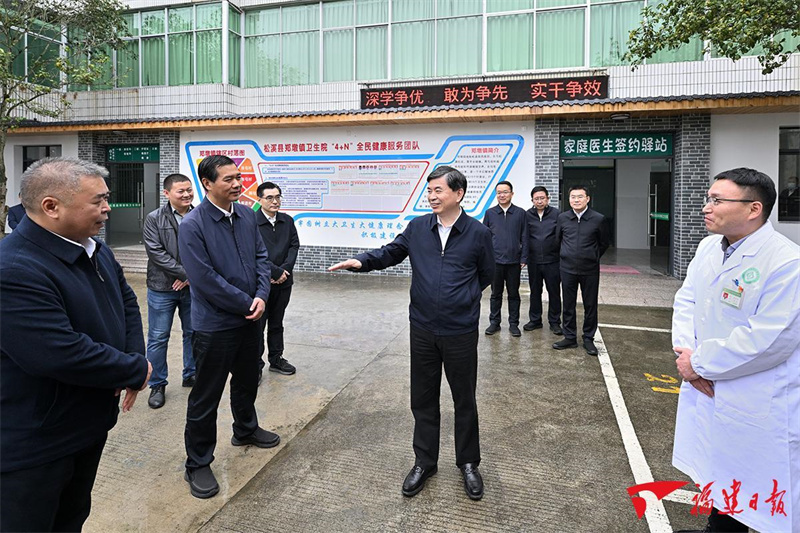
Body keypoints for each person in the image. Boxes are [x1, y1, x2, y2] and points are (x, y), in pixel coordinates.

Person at [0, 157, 151, 532]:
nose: (107, 208)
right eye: (98, 201)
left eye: (107, 197)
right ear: (51, 207)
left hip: (86, 425)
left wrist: (134, 358)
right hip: (37, 442)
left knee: (71, 518)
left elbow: (126, 303)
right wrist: (134, 369)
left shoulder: (95, 249)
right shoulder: (14, 268)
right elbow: (58, 353)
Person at [329, 166, 494, 501]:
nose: (431, 196)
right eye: (429, 190)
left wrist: (462, 299)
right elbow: (391, 252)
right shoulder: (418, 227)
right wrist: (362, 261)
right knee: (423, 398)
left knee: (464, 399)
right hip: (422, 328)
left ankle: (468, 463)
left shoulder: (478, 233)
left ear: (458, 194)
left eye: (438, 190)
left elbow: (486, 274)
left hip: (460, 331)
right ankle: (425, 462)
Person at [671, 168, 799, 533]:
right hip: (706, 381)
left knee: (751, 481)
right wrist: (686, 355)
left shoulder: (786, 263)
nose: (706, 207)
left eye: (717, 200)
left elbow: (771, 339)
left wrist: (698, 363)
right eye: (708, 198)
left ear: (754, 208)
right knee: (718, 470)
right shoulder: (708, 248)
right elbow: (687, 300)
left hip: (753, 393)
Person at [178, 155, 278, 500]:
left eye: (239, 177)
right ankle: (197, 462)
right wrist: (246, 302)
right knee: (206, 395)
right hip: (215, 325)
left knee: (248, 379)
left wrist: (261, 295)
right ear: (207, 183)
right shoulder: (193, 225)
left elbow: (262, 258)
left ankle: (245, 429)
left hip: (251, 318)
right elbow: (204, 279)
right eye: (228, 179)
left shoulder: (247, 216)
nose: (237, 184)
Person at [142, 173, 196, 409]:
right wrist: (185, 274)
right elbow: (155, 252)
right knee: (158, 337)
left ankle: (191, 374)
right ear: (167, 193)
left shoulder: (200, 215)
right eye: (180, 191)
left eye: (189, 190)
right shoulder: (154, 218)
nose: (186, 194)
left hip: (193, 289)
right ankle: (157, 384)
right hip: (161, 287)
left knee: (193, 333)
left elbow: (208, 250)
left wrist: (190, 278)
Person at [553, 185, 609, 356]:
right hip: (567, 268)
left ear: (587, 199)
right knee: (568, 304)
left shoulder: (598, 219)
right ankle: (569, 337)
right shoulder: (563, 218)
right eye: (573, 197)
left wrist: (592, 256)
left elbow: (604, 243)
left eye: (580, 196)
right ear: (569, 199)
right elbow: (558, 240)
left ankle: (588, 338)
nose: (576, 200)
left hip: (589, 269)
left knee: (590, 304)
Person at [255, 181, 300, 379]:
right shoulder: (251, 222)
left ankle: (276, 359)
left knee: (276, 322)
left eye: (278, 197)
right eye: (270, 198)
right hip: (261, 283)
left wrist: (284, 271)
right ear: (259, 200)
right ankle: (255, 365)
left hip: (284, 282)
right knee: (257, 326)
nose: (275, 201)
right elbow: (252, 252)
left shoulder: (287, 221)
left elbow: (294, 246)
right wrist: (273, 272)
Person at [482, 181, 527, 337]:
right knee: (495, 294)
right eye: (499, 192)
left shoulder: (520, 213)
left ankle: (514, 324)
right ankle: (494, 323)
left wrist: (524, 257)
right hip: (495, 262)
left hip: (514, 262)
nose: (502, 195)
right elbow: (485, 237)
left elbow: (525, 236)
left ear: (512, 194)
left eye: (505, 192)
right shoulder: (490, 213)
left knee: (513, 294)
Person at [524, 186, 563, 336]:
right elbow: (524, 237)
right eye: (536, 199)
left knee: (554, 292)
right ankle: (535, 320)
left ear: (548, 199)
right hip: (534, 261)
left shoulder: (557, 214)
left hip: (552, 260)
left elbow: (561, 235)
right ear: (532, 200)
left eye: (542, 198)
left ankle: (555, 322)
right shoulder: (527, 215)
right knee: (535, 291)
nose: (539, 201)